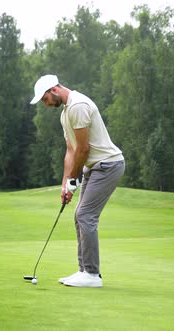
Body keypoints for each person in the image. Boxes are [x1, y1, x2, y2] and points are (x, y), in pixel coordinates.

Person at [30, 74, 125, 288]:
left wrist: (74, 179)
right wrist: (66, 184)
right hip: (95, 166)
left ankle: (92, 274)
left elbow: (84, 149)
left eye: (45, 99)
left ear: (53, 90)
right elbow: (71, 150)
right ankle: (84, 271)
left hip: (108, 164)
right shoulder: (65, 113)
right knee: (79, 215)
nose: (45, 104)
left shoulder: (78, 106)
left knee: (86, 215)